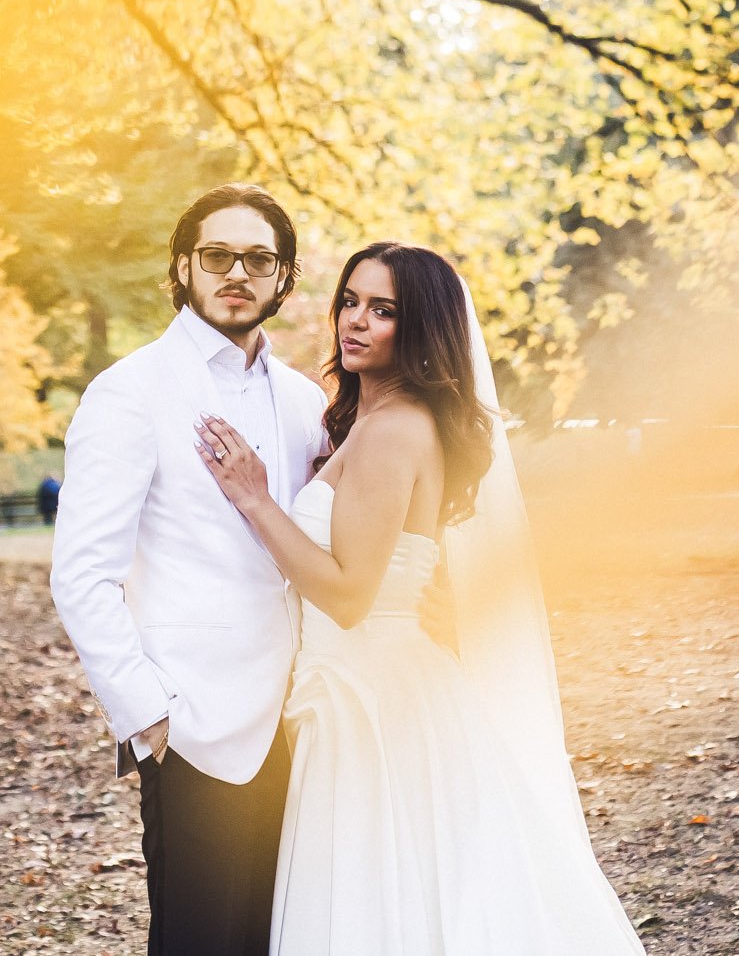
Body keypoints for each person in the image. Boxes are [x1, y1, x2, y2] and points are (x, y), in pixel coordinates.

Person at [195, 242, 645, 955]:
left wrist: (255, 498)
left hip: (375, 699)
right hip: (377, 681)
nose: (356, 321)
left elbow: (347, 593)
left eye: (383, 310)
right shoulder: (373, 423)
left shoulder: (394, 430)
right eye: (350, 301)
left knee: (379, 896)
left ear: (422, 328)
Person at [50, 184, 327, 956]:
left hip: (303, 717)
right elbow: (81, 573)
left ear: (284, 277)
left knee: (278, 934)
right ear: (183, 267)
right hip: (194, 719)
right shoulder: (128, 392)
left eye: (259, 258)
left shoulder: (307, 400)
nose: (236, 271)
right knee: (201, 941)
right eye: (216, 255)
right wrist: (148, 713)